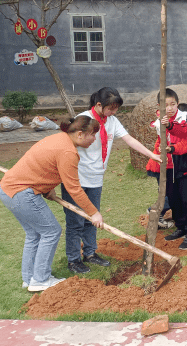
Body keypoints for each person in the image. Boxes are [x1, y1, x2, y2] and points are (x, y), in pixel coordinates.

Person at [64, 88, 161, 274]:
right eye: (111, 108)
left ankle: (90, 253)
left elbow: (129, 140)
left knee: (92, 219)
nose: (114, 112)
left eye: (116, 109)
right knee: (75, 220)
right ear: (99, 105)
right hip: (76, 177)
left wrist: (152, 155)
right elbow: (68, 144)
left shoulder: (112, 121)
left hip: (95, 178)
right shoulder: (83, 119)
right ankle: (73, 259)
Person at [0, 116, 103, 292]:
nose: (95, 139)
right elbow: (74, 189)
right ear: (80, 134)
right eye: (93, 135)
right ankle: (40, 279)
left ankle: (30, 278)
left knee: (34, 234)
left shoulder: (59, 138)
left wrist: (47, 187)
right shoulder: (68, 152)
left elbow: (43, 165)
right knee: (51, 232)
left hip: (8, 190)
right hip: (21, 193)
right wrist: (94, 212)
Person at [145, 88, 187, 251]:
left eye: (172, 104)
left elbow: (185, 136)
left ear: (178, 104)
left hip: (182, 163)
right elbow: (160, 140)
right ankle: (181, 227)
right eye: (165, 105)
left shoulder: (185, 117)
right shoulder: (158, 120)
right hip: (167, 165)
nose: (169, 108)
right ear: (158, 106)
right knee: (173, 198)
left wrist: (170, 132)